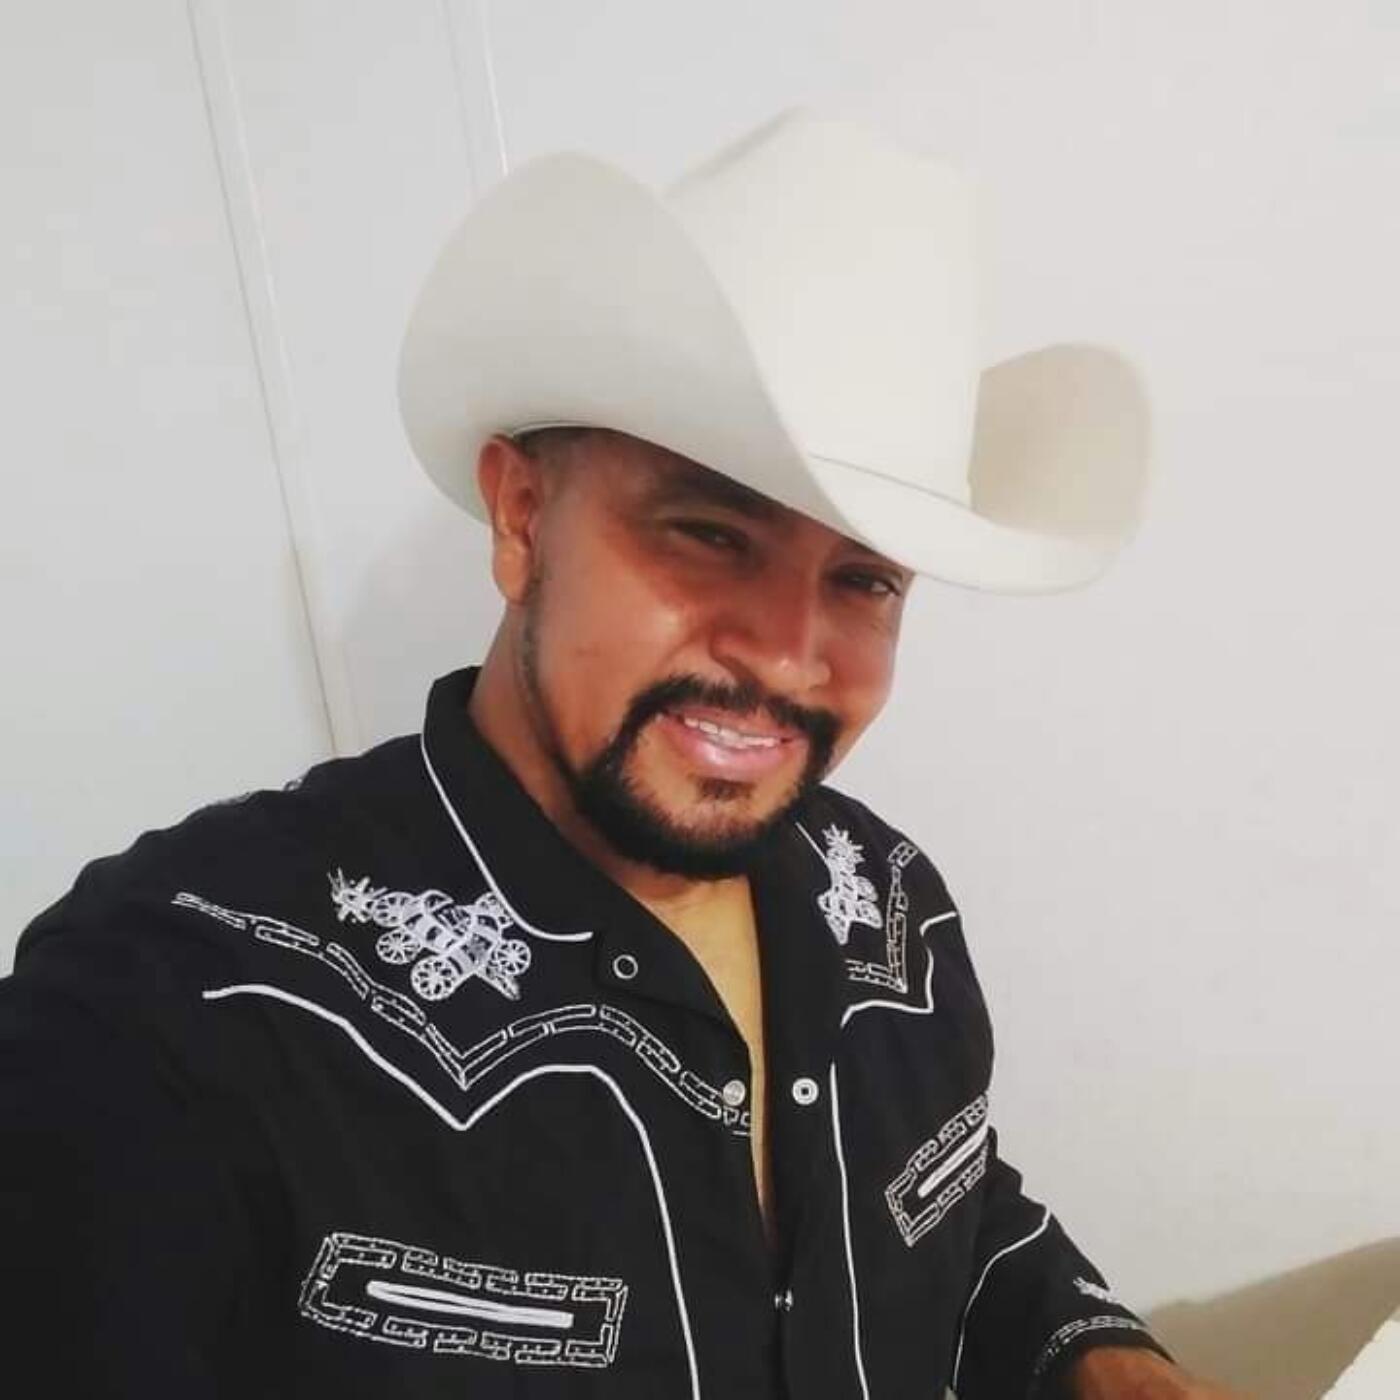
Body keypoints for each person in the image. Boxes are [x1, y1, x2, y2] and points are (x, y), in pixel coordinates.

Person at [0, 112, 1240, 1397]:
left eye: (862, 578)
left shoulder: (888, 907)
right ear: (522, 514)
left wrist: (1100, 1353)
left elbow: (949, 1211)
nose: (786, 656)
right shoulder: (177, 1010)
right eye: (709, 533)